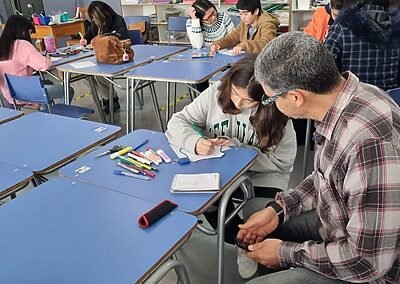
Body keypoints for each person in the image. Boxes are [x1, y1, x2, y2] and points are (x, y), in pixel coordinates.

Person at [235, 31, 400, 283]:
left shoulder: (368, 144)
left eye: (271, 98)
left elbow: (367, 262)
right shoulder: (345, 99)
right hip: (340, 223)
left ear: (295, 97)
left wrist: (285, 254)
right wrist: (279, 209)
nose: (271, 105)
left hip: (372, 271)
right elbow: (326, 174)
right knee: (258, 210)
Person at [165, 54, 297, 279]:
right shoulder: (216, 93)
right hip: (223, 171)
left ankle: (246, 245)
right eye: (235, 94)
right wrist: (195, 142)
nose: (238, 103)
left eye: (248, 101)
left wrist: (239, 150)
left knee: (257, 219)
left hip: (264, 176)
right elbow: (177, 122)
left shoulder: (278, 111)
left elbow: (282, 162)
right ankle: (241, 244)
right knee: (207, 203)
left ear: (265, 98)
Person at [325, 0, 400, 91]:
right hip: (390, 100)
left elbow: (324, 67)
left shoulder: (342, 27)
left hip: (354, 99)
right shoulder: (396, 27)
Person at [0, 15, 73, 108]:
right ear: (22, 31)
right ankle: (58, 116)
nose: (30, 37)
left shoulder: (3, 46)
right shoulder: (22, 45)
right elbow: (44, 65)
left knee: (47, 83)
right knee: (68, 90)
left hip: (9, 95)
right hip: (27, 94)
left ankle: (47, 113)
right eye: (30, 33)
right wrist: (47, 58)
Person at [80, 1, 130, 113]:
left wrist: (102, 39)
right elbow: (90, 34)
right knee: (83, 74)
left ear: (103, 14)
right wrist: (85, 39)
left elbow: (123, 37)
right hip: (101, 56)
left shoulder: (118, 20)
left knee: (99, 74)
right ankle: (109, 97)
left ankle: (109, 99)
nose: (94, 21)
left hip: (117, 56)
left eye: (95, 18)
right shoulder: (96, 23)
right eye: (93, 19)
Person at [210, 0, 280, 55]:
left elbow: (266, 43)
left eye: (245, 14)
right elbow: (232, 38)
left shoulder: (268, 24)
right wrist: (218, 44)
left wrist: (245, 45)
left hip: (261, 63)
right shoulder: (244, 23)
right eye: (240, 13)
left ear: (256, 11)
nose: (242, 17)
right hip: (247, 60)